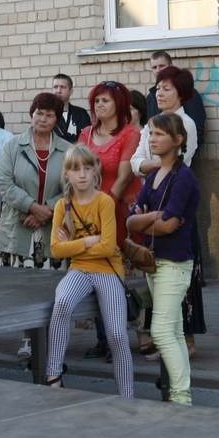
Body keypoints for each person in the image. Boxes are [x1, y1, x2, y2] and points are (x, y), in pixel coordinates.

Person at [44, 145, 137, 398]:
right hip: (79, 270)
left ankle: (126, 394)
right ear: (66, 174)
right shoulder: (63, 207)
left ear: (96, 170)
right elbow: (55, 250)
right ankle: (53, 374)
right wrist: (86, 242)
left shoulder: (104, 201)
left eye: (87, 168)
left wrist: (72, 246)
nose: (82, 174)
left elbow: (108, 247)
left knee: (117, 334)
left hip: (108, 271)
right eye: (76, 169)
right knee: (61, 302)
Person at [128, 113, 201, 406]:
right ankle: (181, 393)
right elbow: (131, 222)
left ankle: (181, 397)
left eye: (159, 134)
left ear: (177, 140)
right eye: (151, 133)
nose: (152, 139)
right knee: (173, 330)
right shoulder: (154, 174)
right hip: (154, 261)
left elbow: (170, 226)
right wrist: (150, 218)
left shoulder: (183, 177)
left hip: (175, 262)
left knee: (160, 330)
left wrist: (145, 221)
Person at [132, 67, 204, 354]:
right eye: (157, 88)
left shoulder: (186, 123)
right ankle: (165, 338)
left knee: (181, 279)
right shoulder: (151, 123)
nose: (159, 93)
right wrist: (155, 166)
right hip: (151, 199)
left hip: (175, 205)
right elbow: (134, 163)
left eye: (167, 89)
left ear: (181, 94)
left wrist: (154, 166)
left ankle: (185, 339)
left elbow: (179, 164)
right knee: (155, 274)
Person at [0, 94, 71, 361]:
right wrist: (31, 206)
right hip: (19, 226)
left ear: (56, 119)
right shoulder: (12, 146)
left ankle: (53, 338)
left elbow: (71, 189)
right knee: (23, 289)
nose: (43, 119)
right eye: (39, 113)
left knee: (52, 288)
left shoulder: (66, 150)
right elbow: (4, 185)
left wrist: (46, 211)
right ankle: (28, 340)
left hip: (52, 229)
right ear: (32, 113)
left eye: (50, 115)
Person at [78, 80, 142, 361]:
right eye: (96, 101)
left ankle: (121, 340)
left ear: (119, 104)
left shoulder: (130, 134)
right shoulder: (86, 134)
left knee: (116, 277)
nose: (99, 105)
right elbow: (75, 168)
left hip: (118, 211)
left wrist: (103, 207)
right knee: (94, 272)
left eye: (105, 100)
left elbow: (125, 175)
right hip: (87, 212)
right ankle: (103, 339)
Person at [148, 51, 207, 146]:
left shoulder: (189, 94)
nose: (158, 70)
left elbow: (198, 131)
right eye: (154, 67)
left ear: (171, 66)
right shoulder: (151, 96)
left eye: (161, 66)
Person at [51, 74, 92, 144]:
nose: (58, 91)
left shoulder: (81, 113)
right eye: (55, 87)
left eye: (62, 87)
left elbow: (88, 138)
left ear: (71, 91)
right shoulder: (47, 114)